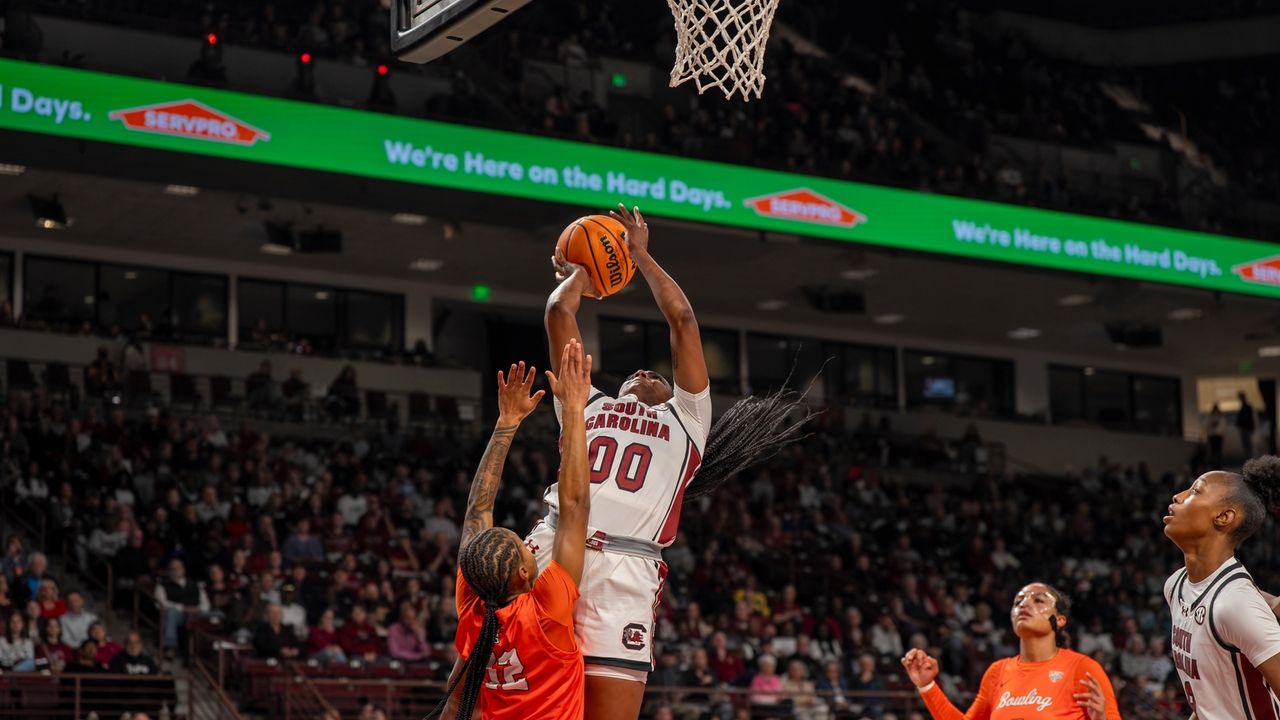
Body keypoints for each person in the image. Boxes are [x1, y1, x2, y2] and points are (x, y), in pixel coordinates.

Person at [540, 205, 813, 720]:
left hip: (626, 568)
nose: (646, 370)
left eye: (659, 375)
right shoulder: (584, 399)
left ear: (675, 393)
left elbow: (682, 320)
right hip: (552, 543)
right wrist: (582, 271)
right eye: (638, 372)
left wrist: (638, 254)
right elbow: (559, 313)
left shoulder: (687, 420)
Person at [433, 342, 593, 719]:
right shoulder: (545, 611)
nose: (528, 543)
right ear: (523, 574)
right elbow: (573, 506)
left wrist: (507, 424)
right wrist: (573, 410)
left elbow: (479, 509)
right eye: (524, 546)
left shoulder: (475, 609)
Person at [1163, 456, 1280, 717]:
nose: (1178, 497)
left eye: (1195, 491)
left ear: (1224, 517)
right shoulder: (1176, 585)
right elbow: (1212, 701)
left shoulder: (1235, 604)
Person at [902, 583, 1120, 720]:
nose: (1025, 604)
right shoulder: (997, 672)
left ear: (1060, 620)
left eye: (1038, 600)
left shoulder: (1083, 668)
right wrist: (927, 686)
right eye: (1019, 601)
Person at [1237, 393, 1256, 459]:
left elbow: (1248, 418)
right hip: (1245, 428)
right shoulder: (1244, 407)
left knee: (1248, 446)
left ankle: (1250, 459)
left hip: (1246, 428)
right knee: (1247, 446)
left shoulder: (1246, 407)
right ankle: (1249, 459)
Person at [1207, 404, 1226, 468]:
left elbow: (1208, 428)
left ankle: (1216, 465)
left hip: (1216, 436)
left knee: (1216, 452)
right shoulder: (1218, 416)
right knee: (1216, 452)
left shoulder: (1213, 416)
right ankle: (1217, 465)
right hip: (1215, 436)